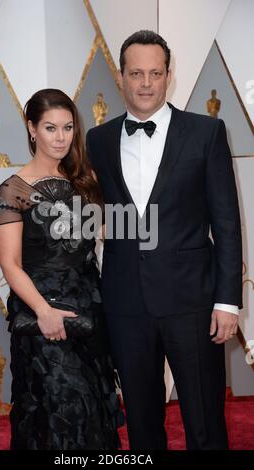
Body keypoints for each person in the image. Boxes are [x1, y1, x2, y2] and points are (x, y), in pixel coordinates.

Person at [86, 31, 243, 450]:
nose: (146, 83)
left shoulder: (206, 132)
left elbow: (226, 222)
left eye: (155, 73)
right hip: (125, 304)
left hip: (192, 300)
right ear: (121, 77)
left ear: (169, 76)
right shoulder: (97, 140)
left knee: (205, 418)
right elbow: (102, 216)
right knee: (140, 419)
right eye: (136, 73)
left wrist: (227, 302)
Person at [0, 89, 123, 450]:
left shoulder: (86, 180)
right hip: (43, 310)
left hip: (89, 308)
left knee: (93, 407)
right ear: (32, 129)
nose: (61, 137)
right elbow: (10, 264)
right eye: (50, 128)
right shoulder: (12, 191)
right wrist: (43, 311)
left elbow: (108, 235)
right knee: (58, 408)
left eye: (68, 127)